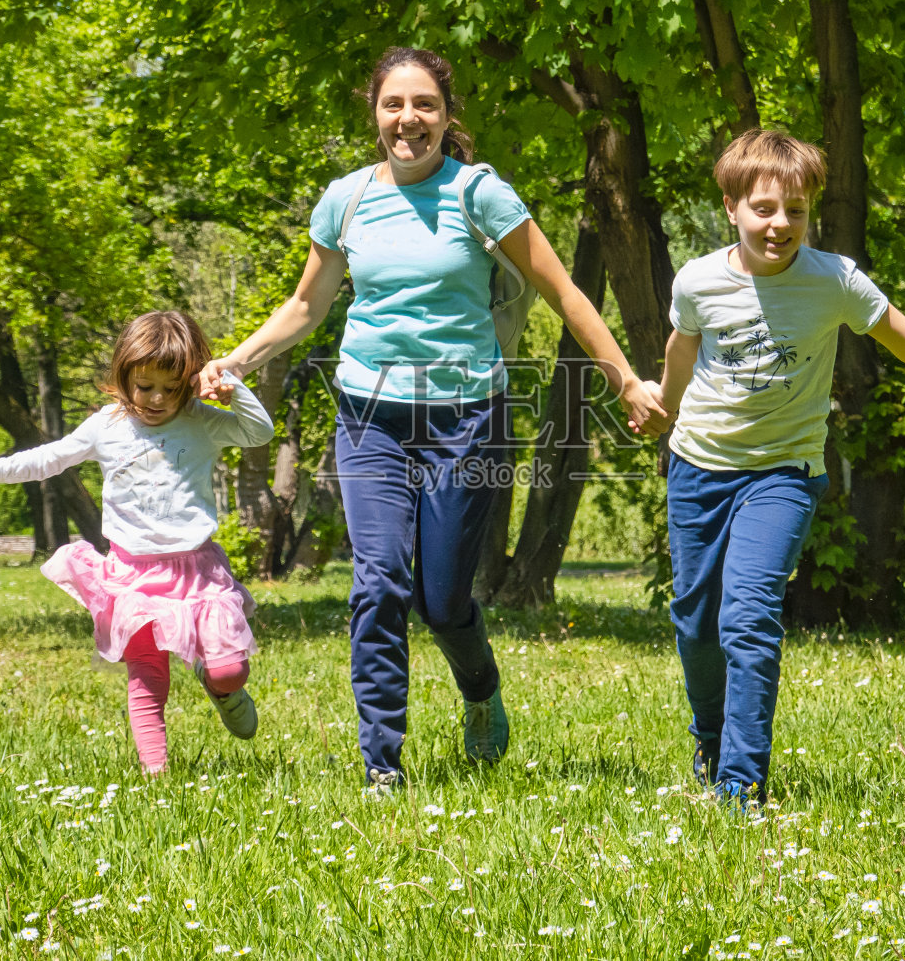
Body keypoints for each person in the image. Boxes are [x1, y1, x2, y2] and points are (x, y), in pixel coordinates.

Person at [198, 46, 666, 792]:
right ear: (374, 113)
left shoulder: (479, 194)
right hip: (369, 417)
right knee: (377, 583)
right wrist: (236, 360)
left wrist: (627, 379)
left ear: (447, 115)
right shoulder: (346, 200)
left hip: (467, 419)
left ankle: (480, 692)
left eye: (424, 104)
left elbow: (566, 293)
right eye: (393, 104)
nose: (408, 118)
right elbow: (306, 305)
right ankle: (381, 763)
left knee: (444, 601)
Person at [657, 129, 905, 803]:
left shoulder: (832, 280)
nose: (780, 224)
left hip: (783, 474)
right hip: (698, 468)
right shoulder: (697, 280)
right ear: (731, 207)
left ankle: (740, 786)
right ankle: (711, 734)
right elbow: (681, 351)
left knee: (746, 615)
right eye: (764, 209)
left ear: (811, 212)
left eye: (796, 211)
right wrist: (662, 405)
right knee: (695, 623)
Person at [0, 311, 274, 776]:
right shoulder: (106, 425)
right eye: (145, 386)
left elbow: (259, 432)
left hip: (197, 572)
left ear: (190, 383)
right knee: (148, 678)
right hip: (133, 576)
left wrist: (231, 387)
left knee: (230, 669)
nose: (157, 399)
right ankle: (157, 775)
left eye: (171, 388)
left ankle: (220, 685)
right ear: (123, 375)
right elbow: (53, 458)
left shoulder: (202, 420)